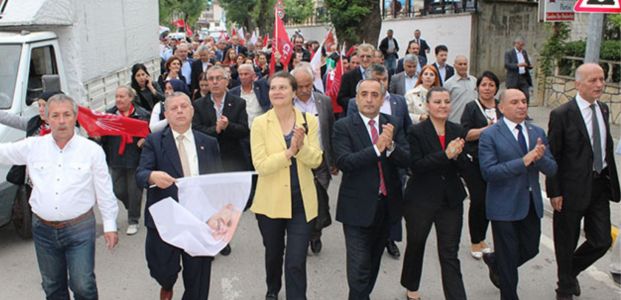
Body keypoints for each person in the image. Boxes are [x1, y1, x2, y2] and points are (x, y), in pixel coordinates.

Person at [0, 94, 119, 299]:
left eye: (67, 115)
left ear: (75, 117)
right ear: (46, 118)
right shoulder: (33, 146)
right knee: (52, 285)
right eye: (55, 115)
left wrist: (110, 225)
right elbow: (3, 152)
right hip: (43, 229)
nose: (62, 121)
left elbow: (104, 191)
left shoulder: (91, 151)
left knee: (83, 284)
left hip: (79, 228)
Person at [136, 92, 222, 300]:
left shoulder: (208, 142)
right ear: (166, 114)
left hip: (199, 220)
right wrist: (152, 176)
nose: (180, 111)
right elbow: (140, 174)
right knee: (163, 270)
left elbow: (217, 181)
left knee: (198, 280)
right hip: (167, 218)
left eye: (184, 106)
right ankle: (167, 284)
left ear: (192, 111)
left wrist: (219, 216)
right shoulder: (155, 141)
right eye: (174, 108)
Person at [546, 63, 620, 300]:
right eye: (593, 80)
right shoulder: (561, 115)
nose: (599, 84)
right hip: (570, 189)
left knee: (601, 240)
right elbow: (553, 155)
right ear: (578, 84)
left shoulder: (604, 109)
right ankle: (564, 288)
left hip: (599, 184)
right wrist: (554, 191)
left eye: (601, 79)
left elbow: (605, 146)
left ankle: (570, 271)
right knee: (566, 241)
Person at [333, 79, 409, 300]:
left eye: (374, 95)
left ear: (383, 99)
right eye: (364, 94)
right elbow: (345, 161)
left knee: (373, 262)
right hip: (356, 208)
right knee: (358, 268)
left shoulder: (392, 123)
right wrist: (377, 148)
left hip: (386, 206)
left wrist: (391, 145)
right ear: (356, 99)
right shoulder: (344, 126)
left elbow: (407, 159)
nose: (369, 99)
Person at [250, 71, 323, 300]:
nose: (277, 92)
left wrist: (301, 149)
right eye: (273, 88)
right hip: (270, 203)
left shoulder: (308, 121)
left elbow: (316, 160)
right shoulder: (260, 123)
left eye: (283, 87)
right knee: (273, 254)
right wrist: (289, 152)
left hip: (301, 202)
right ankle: (273, 288)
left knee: (295, 261)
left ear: (293, 92)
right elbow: (260, 165)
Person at [479, 89, 557, 300]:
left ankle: (496, 262)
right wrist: (523, 161)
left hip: (530, 204)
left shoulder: (537, 132)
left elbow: (552, 169)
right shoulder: (490, 135)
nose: (522, 105)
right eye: (515, 102)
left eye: (524, 101)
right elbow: (489, 172)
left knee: (530, 249)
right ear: (501, 107)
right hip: (502, 206)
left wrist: (538, 158)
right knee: (508, 257)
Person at [401, 87, 468, 300]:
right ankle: (411, 286)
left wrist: (458, 157)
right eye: (437, 102)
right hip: (421, 200)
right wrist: (446, 155)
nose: (442, 106)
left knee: (449, 253)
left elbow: (465, 167)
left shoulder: (457, 130)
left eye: (446, 101)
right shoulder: (416, 131)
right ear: (428, 105)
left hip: (451, 200)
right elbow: (416, 166)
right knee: (416, 243)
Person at [347, 64, 413, 258]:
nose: (381, 83)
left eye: (384, 80)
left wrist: (401, 152)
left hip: (394, 164)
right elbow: (353, 132)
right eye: (376, 80)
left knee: (393, 204)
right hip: (368, 162)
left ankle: (390, 239)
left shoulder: (399, 102)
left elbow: (406, 129)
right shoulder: (355, 103)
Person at [291, 64, 336, 254]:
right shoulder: (286, 103)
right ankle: (301, 235)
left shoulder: (323, 101)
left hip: (320, 163)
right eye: (300, 86)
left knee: (318, 200)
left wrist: (334, 161)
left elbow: (330, 131)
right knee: (299, 202)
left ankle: (315, 233)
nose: (304, 90)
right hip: (296, 162)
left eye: (307, 85)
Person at [460, 71, 501, 259]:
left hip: (496, 161)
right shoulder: (471, 107)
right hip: (474, 160)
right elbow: (466, 134)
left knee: (490, 200)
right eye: (484, 84)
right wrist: (487, 129)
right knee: (478, 199)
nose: (487, 88)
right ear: (477, 88)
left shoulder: (502, 107)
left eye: (491, 85)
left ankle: (482, 237)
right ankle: (475, 240)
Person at [99, 86, 150, 235]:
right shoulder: (110, 115)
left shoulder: (142, 115)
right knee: (118, 190)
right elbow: (103, 135)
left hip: (136, 159)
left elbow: (150, 133)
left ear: (131, 98)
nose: (118, 100)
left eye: (122, 96)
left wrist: (144, 139)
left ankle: (133, 219)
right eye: (117, 97)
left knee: (135, 191)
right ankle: (131, 206)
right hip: (116, 158)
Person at [192, 65, 250, 173]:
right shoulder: (198, 105)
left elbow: (244, 130)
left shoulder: (239, 103)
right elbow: (196, 130)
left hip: (233, 160)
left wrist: (228, 126)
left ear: (226, 81)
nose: (214, 82)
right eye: (211, 79)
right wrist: (216, 129)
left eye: (218, 78)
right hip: (208, 159)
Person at [444, 55, 477, 123]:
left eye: (465, 64)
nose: (463, 66)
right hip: (455, 121)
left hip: (472, 121)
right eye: (460, 64)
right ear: (454, 66)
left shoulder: (474, 80)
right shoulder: (448, 83)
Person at [504, 37, 533, 105]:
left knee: (526, 95)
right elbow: (507, 65)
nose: (521, 46)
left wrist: (529, 66)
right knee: (512, 96)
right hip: (513, 78)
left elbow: (527, 63)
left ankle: (524, 111)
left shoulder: (524, 52)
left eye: (523, 45)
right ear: (515, 44)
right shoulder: (509, 53)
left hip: (523, 77)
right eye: (520, 45)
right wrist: (518, 65)